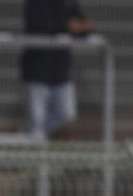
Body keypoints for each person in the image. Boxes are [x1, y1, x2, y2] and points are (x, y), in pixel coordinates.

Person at [20, 0, 92, 140]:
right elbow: (38, 26)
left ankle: (31, 135)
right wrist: (67, 26)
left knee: (67, 114)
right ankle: (36, 145)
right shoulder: (35, 3)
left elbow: (82, 26)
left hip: (60, 72)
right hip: (37, 71)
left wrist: (81, 28)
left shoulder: (69, 3)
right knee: (36, 120)